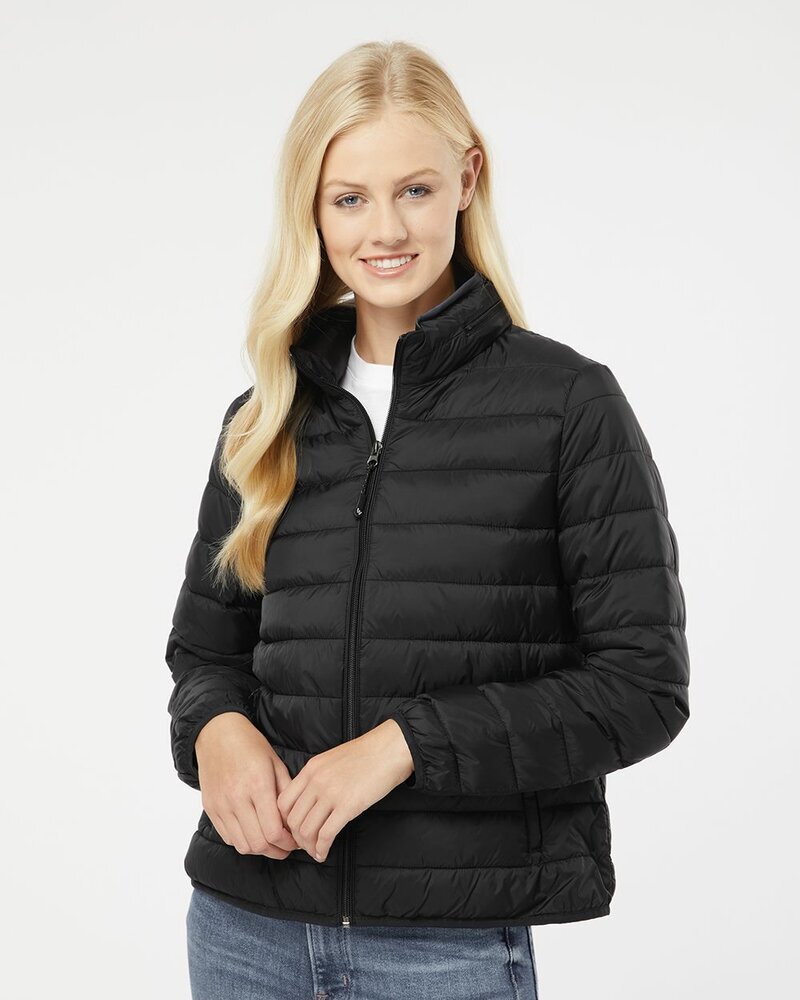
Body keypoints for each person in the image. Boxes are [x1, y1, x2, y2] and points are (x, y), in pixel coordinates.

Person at [164, 40, 690, 1000]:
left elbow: (642, 686)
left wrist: (405, 745)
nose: (385, 229)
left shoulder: (567, 406)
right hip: (245, 931)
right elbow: (205, 654)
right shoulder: (265, 417)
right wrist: (217, 730)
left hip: (444, 951)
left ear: (467, 180)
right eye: (348, 198)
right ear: (311, 209)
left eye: (414, 189)